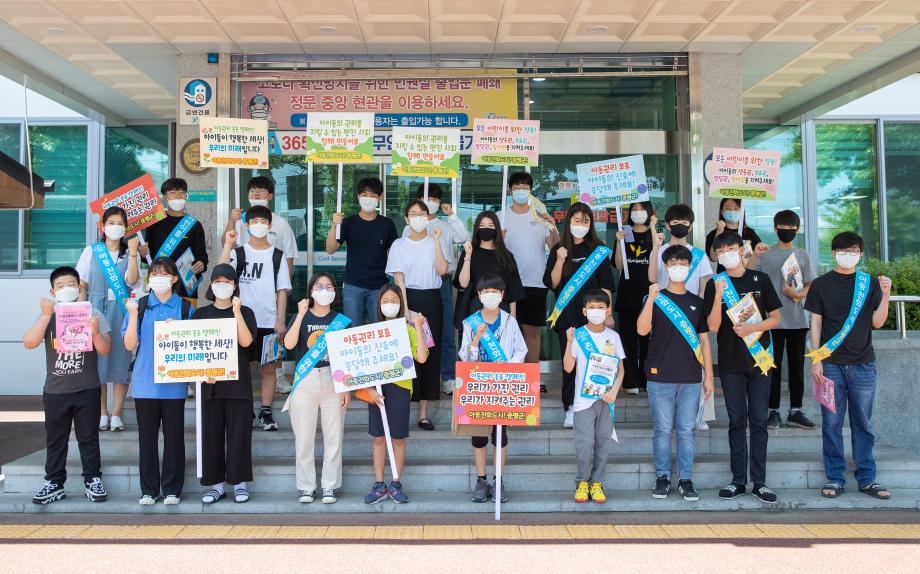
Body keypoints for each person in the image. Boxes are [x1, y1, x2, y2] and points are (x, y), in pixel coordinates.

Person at [805, 232, 892, 501]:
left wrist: (887, 293)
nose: (848, 254)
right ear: (833, 252)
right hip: (830, 365)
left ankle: (867, 478)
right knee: (831, 423)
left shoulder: (869, 284)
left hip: (863, 364)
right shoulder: (821, 284)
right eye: (843, 250)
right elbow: (816, 323)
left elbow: (877, 322)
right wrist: (816, 359)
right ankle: (835, 477)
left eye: (854, 250)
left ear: (861, 253)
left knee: (863, 423)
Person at [704, 232, 782, 504]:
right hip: (730, 362)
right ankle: (738, 480)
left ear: (741, 250)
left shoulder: (760, 279)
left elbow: (776, 318)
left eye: (731, 248)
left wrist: (753, 327)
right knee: (737, 422)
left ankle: (759, 482)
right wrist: (717, 296)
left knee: (758, 420)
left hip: (760, 360)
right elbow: (712, 327)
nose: (726, 253)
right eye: (721, 250)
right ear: (715, 254)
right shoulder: (715, 283)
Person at [23, 266, 112, 505]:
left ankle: (92, 479)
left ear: (79, 287)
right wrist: (44, 315)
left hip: (87, 389)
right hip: (55, 391)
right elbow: (29, 342)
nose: (66, 289)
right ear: (53, 291)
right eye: (60, 286)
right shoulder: (48, 314)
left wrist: (94, 333)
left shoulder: (93, 313)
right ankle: (54, 482)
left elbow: (105, 349)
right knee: (56, 439)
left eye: (71, 284)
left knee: (88, 438)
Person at [637, 245, 714, 502]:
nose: (678, 267)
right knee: (662, 429)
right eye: (673, 263)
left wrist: (709, 377)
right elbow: (641, 329)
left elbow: (704, 342)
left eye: (683, 263)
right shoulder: (655, 298)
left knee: (685, 430)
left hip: (691, 377)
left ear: (689, 267)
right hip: (659, 376)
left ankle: (685, 479)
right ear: (665, 267)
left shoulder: (696, 302)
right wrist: (651, 299)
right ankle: (662, 477)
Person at [122, 257, 194, 505]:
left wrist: (181, 329)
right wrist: (132, 316)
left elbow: (195, 345)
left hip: (174, 385)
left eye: (164, 274)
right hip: (145, 384)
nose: (158, 278)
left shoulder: (184, 308)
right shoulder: (141, 306)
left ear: (174, 278)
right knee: (147, 439)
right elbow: (129, 343)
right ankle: (149, 490)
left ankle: (172, 489)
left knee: (174, 438)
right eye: (153, 274)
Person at [220, 205, 292, 432]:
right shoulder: (239, 252)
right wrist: (229, 243)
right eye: (254, 222)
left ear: (270, 226)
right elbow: (221, 270)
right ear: (247, 226)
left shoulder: (277, 255)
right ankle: (244, 409)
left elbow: (282, 290)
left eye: (263, 221)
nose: (258, 225)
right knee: (240, 366)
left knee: (269, 367)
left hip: (268, 321)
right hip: (241, 322)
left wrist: (280, 321)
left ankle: (266, 410)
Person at [224, 175, 299, 394]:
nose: (256, 195)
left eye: (261, 191)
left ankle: (278, 377)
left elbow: (289, 259)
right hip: (244, 302)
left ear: (270, 196)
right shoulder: (239, 221)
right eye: (252, 191)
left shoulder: (281, 223)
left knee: (270, 355)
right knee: (243, 357)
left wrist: (282, 289)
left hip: (270, 300)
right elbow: (225, 253)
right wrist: (231, 221)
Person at [543, 203, 615, 429]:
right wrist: (561, 260)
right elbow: (552, 283)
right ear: (568, 222)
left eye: (585, 221)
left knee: (597, 363)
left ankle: (597, 406)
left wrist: (607, 315)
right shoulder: (559, 250)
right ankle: (571, 408)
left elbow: (606, 285)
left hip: (595, 318)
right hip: (567, 318)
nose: (581, 225)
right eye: (577, 220)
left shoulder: (599, 249)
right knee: (570, 365)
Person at [459, 273, 528, 503]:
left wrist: (509, 366)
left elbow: (521, 350)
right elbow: (465, 357)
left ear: (502, 295)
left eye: (495, 292)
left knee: (500, 434)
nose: (491, 296)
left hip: (502, 385)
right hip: (478, 385)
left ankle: (498, 480)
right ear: (479, 295)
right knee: (479, 436)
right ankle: (481, 480)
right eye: (486, 292)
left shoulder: (510, 320)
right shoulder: (471, 323)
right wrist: (476, 341)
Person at [283, 272, 351, 504]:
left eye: (329, 286)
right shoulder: (300, 316)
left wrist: (345, 388)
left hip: (333, 380)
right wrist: (301, 314)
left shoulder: (341, 321)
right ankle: (306, 487)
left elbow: (346, 358)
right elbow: (289, 344)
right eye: (319, 286)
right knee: (304, 437)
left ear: (335, 291)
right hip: (306, 380)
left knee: (334, 437)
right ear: (311, 290)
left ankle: (329, 486)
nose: (324, 290)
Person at [193, 264, 257, 504]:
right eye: (218, 281)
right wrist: (201, 372)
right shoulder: (200, 314)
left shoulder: (246, 312)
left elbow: (247, 342)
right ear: (211, 285)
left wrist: (237, 311)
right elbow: (193, 351)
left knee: (239, 435)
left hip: (239, 385)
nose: (222, 285)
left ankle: (239, 484)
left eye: (227, 281)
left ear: (235, 285)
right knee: (211, 435)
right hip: (210, 387)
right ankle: (216, 485)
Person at [75, 206, 142, 432]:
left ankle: (116, 413)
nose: (115, 227)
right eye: (111, 222)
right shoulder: (92, 251)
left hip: (121, 312)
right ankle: (102, 412)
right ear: (103, 226)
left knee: (121, 361)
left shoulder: (128, 253)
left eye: (119, 223)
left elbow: (133, 281)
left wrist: (133, 253)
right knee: (98, 364)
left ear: (125, 228)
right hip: (95, 311)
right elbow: (81, 284)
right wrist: (80, 312)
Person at [363, 285, 429, 505]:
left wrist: (418, 326)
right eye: (385, 300)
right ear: (379, 304)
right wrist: (369, 390)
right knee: (379, 438)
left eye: (394, 300)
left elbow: (421, 357)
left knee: (398, 438)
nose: (389, 304)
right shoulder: (371, 331)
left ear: (401, 304)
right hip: (376, 390)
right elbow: (360, 366)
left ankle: (396, 482)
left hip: (400, 388)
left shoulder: (408, 330)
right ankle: (379, 483)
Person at [386, 200, 448, 430]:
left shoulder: (436, 240)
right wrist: (405, 310)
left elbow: (442, 271)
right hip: (407, 299)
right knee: (408, 354)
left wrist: (436, 241)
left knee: (429, 354)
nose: (418, 217)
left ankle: (423, 413)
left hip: (432, 299)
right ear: (406, 219)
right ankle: (402, 407)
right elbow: (398, 279)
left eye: (422, 213)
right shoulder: (399, 245)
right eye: (413, 213)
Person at [753, 210, 818, 429]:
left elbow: (811, 285)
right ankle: (773, 411)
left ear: (797, 230)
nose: (787, 231)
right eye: (782, 227)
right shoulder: (765, 255)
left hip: (798, 320)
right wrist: (754, 254)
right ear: (775, 228)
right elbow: (749, 276)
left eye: (791, 228)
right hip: (772, 321)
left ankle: (795, 410)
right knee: (772, 367)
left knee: (797, 367)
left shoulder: (802, 255)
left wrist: (797, 295)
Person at [402, 183, 468, 396]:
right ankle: (412, 375)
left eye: (433, 198)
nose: (428, 202)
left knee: (446, 331)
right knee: (415, 331)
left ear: (439, 203)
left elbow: (463, 237)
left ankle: (447, 376)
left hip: (441, 283)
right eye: (424, 197)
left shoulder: (446, 225)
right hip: (416, 286)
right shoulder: (408, 227)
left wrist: (453, 216)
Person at [498, 172, 560, 392]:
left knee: (532, 331)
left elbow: (555, 246)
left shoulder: (540, 215)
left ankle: (533, 377)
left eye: (525, 187)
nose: (521, 191)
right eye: (517, 187)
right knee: (506, 331)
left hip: (535, 281)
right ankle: (512, 375)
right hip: (506, 283)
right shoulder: (500, 216)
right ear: (509, 190)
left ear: (530, 190)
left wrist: (552, 225)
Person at [562, 289, 625, 504]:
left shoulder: (613, 337)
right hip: (583, 401)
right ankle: (582, 482)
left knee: (602, 443)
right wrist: (569, 342)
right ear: (584, 311)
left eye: (600, 307)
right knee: (584, 444)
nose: (596, 311)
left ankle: (597, 483)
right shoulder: (578, 335)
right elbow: (568, 367)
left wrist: (615, 390)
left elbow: (621, 369)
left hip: (606, 401)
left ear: (608, 310)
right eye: (592, 307)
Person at [326, 177, 398, 326]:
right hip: (353, 286)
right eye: (365, 195)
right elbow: (330, 249)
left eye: (373, 195)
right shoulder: (348, 222)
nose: (368, 199)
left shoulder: (387, 224)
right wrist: (334, 226)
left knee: (380, 330)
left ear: (379, 198)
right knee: (353, 331)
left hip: (379, 287)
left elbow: (396, 253)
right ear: (358, 196)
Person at [453, 211, 525, 332]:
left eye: (491, 225)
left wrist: (512, 319)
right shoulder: (469, 253)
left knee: (499, 349)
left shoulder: (506, 256)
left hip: (501, 311)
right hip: (475, 310)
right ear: (476, 229)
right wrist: (468, 256)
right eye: (482, 225)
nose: (486, 228)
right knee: (477, 348)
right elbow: (463, 284)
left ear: (497, 228)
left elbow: (514, 291)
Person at [139, 178, 208, 301]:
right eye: (172, 192)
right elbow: (146, 257)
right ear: (165, 197)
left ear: (186, 196)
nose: (178, 196)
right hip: (160, 287)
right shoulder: (154, 223)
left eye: (181, 192)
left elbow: (202, 256)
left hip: (186, 289)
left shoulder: (194, 225)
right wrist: (142, 252)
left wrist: (201, 264)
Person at [613, 201, 654, 395]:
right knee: (627, 340)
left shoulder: (653, 233)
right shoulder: (625, 232)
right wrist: (619, 242)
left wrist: (653, 229)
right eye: (634, 209)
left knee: (648, 340)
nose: (638, 213)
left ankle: (647, 378)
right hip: (627, 294)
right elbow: (619, 265)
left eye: (642, 209)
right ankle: (631, 381)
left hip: (649, 295)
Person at [648, 203, 712, 297]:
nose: (680, 225)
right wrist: (655, 248)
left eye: (684, 223)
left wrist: (699, 307)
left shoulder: (700, 255)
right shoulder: (658, 251)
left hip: (692, 307)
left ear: (690, 227)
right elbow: (653, 279)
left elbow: (704, 288)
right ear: (668, 226)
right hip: (665, 306)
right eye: (675, 222)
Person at [705, 198, 768, 270]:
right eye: (728, 208)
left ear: (742, 211)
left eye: (736, 209)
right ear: (722, 211)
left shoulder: (749, 232)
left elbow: (759, 255)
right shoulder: (713, 234)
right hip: (725, 277)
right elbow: (714, 258)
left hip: (747, 276)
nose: (732, 211)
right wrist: (719, 231)